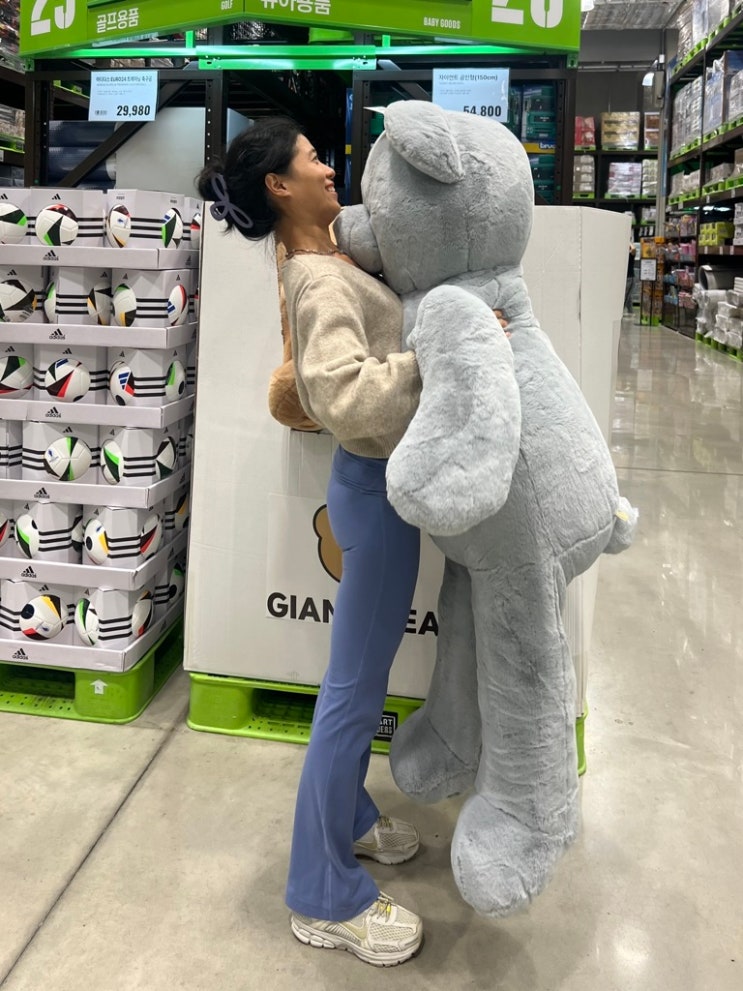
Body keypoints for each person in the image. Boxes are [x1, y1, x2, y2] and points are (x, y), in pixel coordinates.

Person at [197, 117, 508, 968]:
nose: (328, 167)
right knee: (350, 692)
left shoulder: (332, 258)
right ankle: (319, 892)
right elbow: (344, 397)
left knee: (357, 686)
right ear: (279, 186)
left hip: (381, 492)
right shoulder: (314, 279)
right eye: (310, 159)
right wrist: (448, 357)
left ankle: (351, 817)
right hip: (371, 493)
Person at [624, 241, 636, 315]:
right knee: (627, 295)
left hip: (630, 277)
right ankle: (630, 311)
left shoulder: (630, 255)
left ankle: (624, 310)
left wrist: (628, 242)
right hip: (627, 277)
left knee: (626, 295)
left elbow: (633, 249)